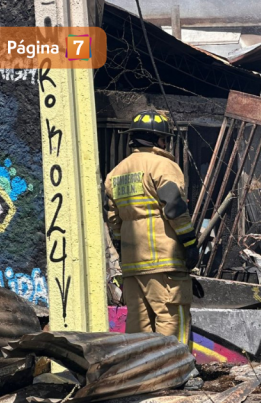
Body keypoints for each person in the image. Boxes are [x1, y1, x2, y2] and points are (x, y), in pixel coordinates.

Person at [105, 110, 199, 349]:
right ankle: (175, 366)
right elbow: (174, 208)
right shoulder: (164, 166)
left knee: (139, 328)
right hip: (165, 263)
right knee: (171, 320)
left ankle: (141, 368)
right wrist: (190, 243)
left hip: (133, 266)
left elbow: (114, 221)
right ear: (159, 140)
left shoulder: (116, 173)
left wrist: (123, 250)